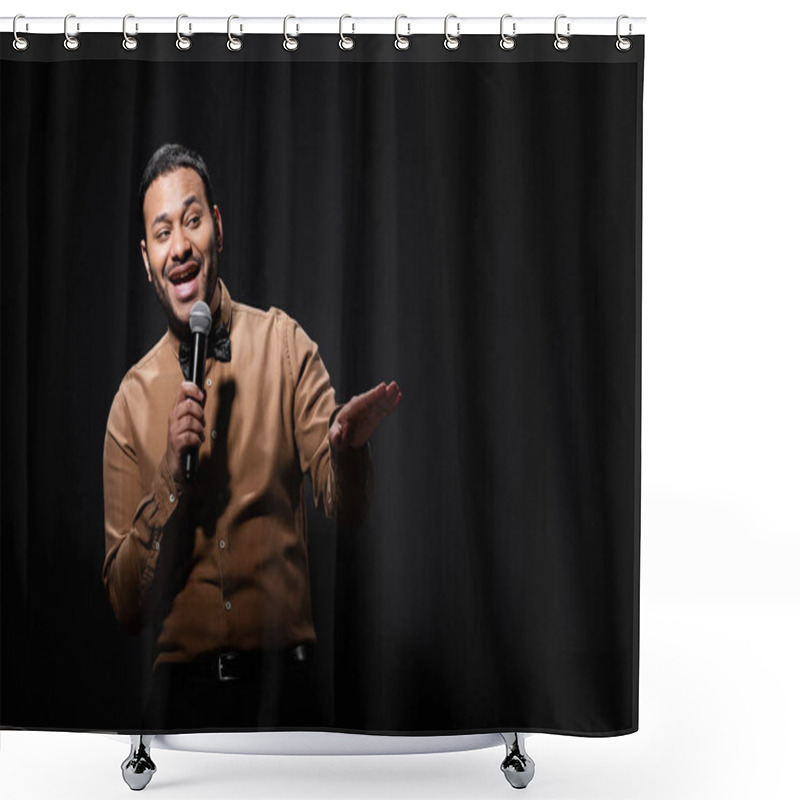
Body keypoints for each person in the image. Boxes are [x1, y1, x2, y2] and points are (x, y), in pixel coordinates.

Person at [102, 143, 401, 730]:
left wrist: (348, 448)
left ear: (217, 226)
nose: (180, 246)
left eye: (192, 220)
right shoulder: (130, 402)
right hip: (179, 705)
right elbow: (123, 606)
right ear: (146, 258)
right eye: (163, 233)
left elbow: (347, 509)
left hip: (287, 696)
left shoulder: (286, 346)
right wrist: (168, 475)